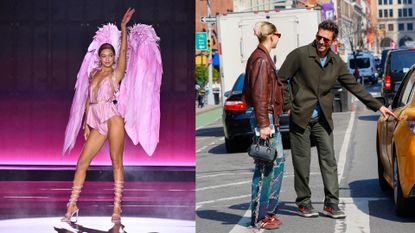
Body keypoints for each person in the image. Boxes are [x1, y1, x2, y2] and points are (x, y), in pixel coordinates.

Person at [278, 20, 397, 219]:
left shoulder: (335, 62)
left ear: (333, 41)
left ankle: (331, 204)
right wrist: (289, 105)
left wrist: (379, 106)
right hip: (300, 117)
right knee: (302, 162)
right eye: (319, 37)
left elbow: (355, 86)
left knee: (329, 162)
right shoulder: (300, 55)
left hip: (322, 118)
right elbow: (280, 78)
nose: (321, 41)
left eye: (326, 39)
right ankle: (304, 202)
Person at [61, 8, 135, 223]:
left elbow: (124, 54)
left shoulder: (116, 73)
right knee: (82, 163)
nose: (107, 59)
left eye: (110, 56)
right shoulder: (94, 73)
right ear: (99, 58)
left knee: (116, 163)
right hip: (96, 119)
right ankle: (72, 204)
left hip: (113, 118)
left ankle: (117, 209)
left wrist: (123, 28)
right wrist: (86, 122)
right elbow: (87, 99)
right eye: (103, 56)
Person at [243, 21, 284, 230]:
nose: (279, 37)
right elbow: (259, 95)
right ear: (271, 36)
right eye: (278, 34)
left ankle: (268, 212)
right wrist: (264, 124)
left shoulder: (261, 57)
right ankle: (259, 217)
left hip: (268, 118)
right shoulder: (261, 59)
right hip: (265, 119)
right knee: (264, 168)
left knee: (276, 164)